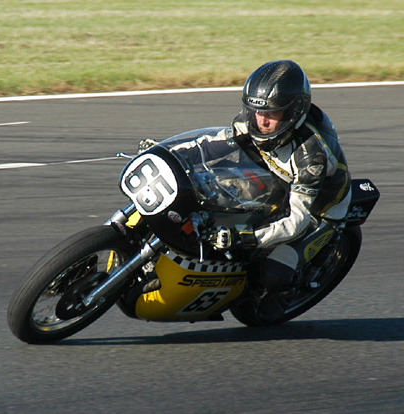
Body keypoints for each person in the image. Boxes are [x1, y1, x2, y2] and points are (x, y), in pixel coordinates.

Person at [140, 60, 351, 320]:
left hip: (318, 210)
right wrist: (167, 153)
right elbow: (214, 144)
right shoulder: (253, 119)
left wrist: (245, 238)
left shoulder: (311, 157)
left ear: (294, 112)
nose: (260, 120)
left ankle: (286, 292)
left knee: (273, 272)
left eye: (272, 114)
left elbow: (297, 221)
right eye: (255, 111)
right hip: (275, 181)